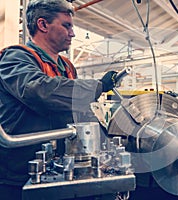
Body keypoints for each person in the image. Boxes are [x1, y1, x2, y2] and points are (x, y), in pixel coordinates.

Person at [0, 0, 116, 199]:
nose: (72, 33)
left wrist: (107, 137)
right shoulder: (15, 58)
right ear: (43, 25)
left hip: (58, 167)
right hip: (20, 172)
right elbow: (40, 91)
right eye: (66, 25)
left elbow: (78, 108)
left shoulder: (67, 66)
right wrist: (98, 86)